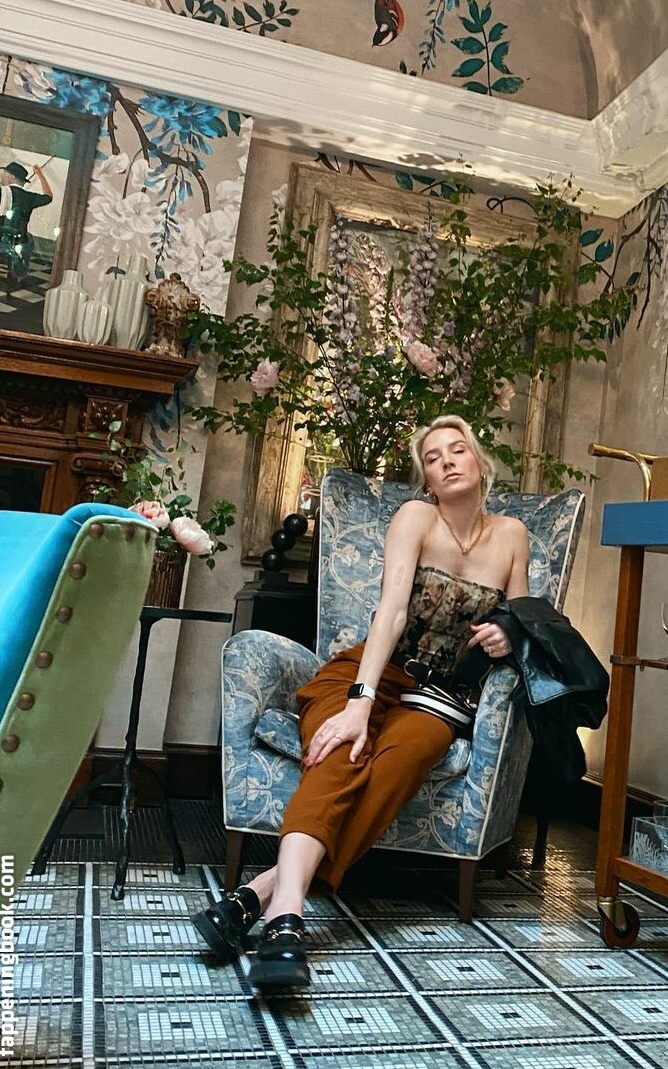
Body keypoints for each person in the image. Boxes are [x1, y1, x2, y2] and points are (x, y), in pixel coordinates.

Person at [193, 414, 530, 991]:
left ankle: (257, 894)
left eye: (457, 451)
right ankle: (286, 919)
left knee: (403, 757)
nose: (447, 462)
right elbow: (391, 613)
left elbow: (526, 624)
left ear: (479, 463)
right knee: (342, 751)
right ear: (426, 479)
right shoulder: (416, 517)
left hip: (440, 698)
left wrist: (506, 634)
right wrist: (360, 703)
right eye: (432, 458)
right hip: (367, 671)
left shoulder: (512, 535)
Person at [0, 160, 54, 279]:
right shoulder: (28, 197)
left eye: (4, 173)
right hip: (15, 244)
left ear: (12, 178)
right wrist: (40, 174)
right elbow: (48, 197)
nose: (1, 175)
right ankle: (20, 271)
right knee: (29, 238)